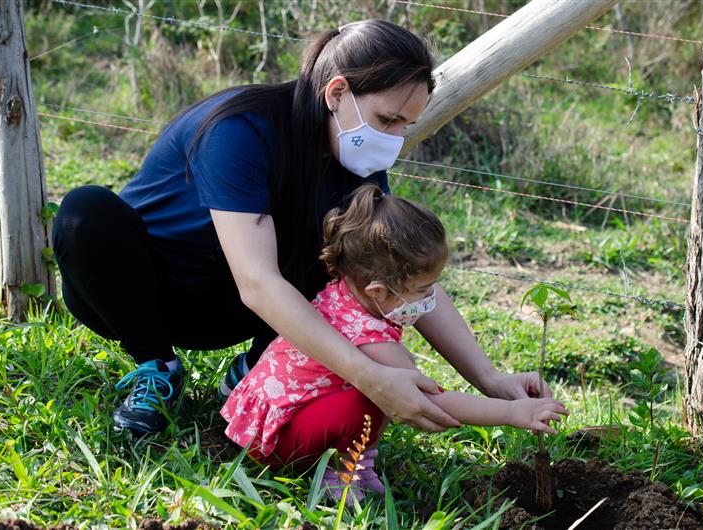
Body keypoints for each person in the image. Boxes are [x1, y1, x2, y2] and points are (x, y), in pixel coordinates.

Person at [52, 19, 555, 436]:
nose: (394, 140)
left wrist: (489, 378)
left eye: (406, 125)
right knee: (84, 212)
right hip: (145, 293)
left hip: (235, 308)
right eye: (388, 119)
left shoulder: (354, 158)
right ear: (337, 92)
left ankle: (253, 374)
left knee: (352, 242)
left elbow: (403, 272)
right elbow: (258, 282)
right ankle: (157, 367)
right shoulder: (239, 131)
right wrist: (370, 376)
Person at [221, 184, 569, 504]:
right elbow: (429, 400)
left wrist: (492, 379)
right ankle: (342, 475)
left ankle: (354, 457)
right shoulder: (365, 335)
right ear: (378, 290)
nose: (430, 299)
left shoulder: (354, 297)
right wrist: (510, 413)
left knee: (381, 385)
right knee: (373, 393)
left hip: (281, 414)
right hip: (277, 438)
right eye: (422, 290)